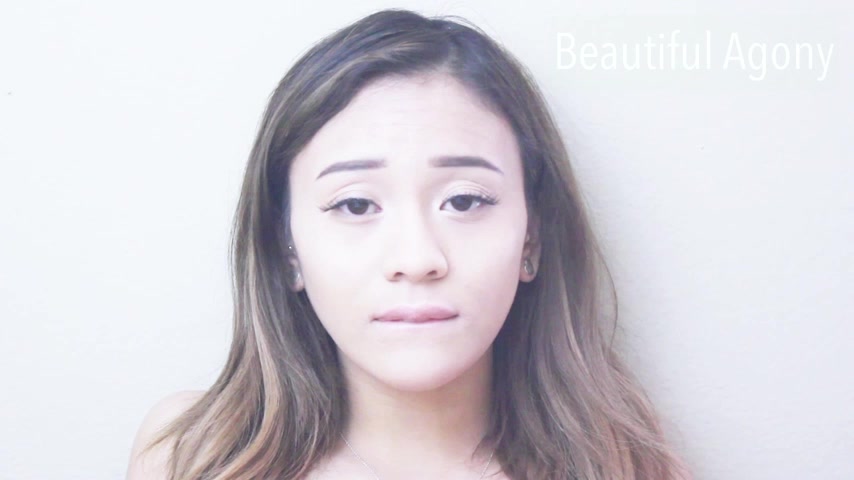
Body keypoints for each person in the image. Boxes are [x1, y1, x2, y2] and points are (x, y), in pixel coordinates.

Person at [126, 8, 691, 480]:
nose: (417, 259)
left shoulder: (624, 466)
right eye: (355, 205)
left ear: (533, 237)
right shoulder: (192, 455)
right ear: (287, 248)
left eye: (464, 201)